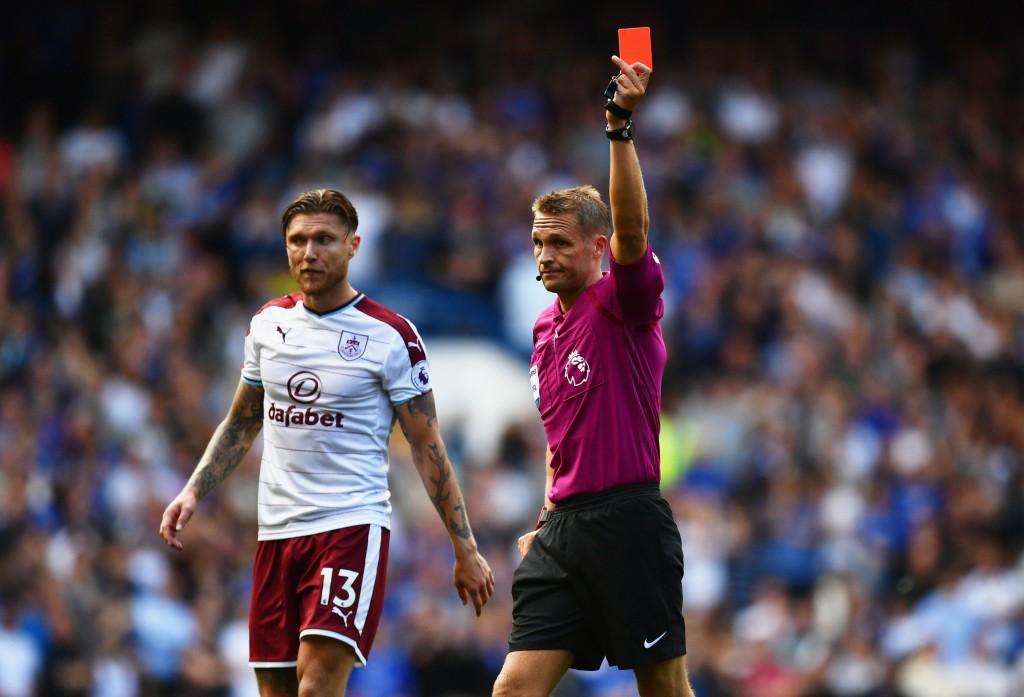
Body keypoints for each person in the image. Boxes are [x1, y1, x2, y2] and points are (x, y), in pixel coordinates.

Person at [160, 188, 494, 697]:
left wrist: (463, 546)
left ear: (353, 245)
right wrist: (192, 491)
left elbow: (427, 445)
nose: (309, 252)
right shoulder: (267, 325)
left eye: (324, 240)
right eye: (297, 240)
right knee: (276, 690)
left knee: (316, 686)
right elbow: (241, 421)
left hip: (349, 526)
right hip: (275, 532)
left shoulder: (390, 336)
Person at [491, 56, 696, 697]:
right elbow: (562, 441)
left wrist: (619, 129)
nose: (545, 255)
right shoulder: (543, 332)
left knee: (663, 689)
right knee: (513, 689)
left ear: (597, 247)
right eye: (538, 243)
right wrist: (548, 515)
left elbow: (634, 228)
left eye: (560, 243)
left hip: (628, 522)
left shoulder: (621, 305)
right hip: (562, 535)